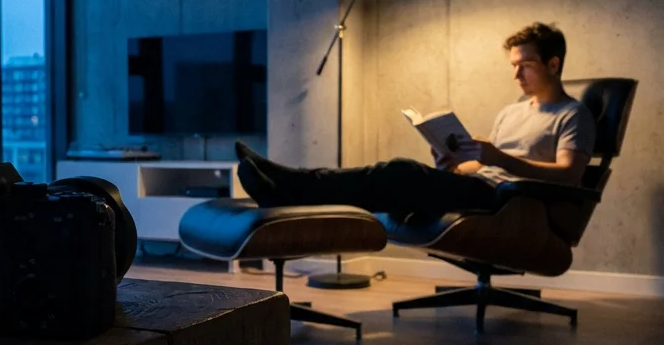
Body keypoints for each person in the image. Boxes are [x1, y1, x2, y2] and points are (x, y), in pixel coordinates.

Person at [236, 22, 597, 217]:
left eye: (526, 65)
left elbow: (570, 175)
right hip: (480, 187)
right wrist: (453, 165)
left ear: (553, 64)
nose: (516, 74)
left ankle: (289, 185)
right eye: (514, 65)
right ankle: (289, 185)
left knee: (399, 172)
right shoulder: (512, 111)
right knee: (390, 180)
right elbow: (486, 167)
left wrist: (499, 158)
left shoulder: (573, 115)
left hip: (509, 201)